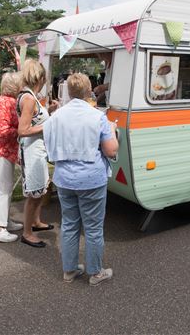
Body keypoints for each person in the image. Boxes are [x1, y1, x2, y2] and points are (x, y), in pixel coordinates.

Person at [43, 73, 119, 286]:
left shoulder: (57, 115)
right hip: (91, 179)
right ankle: (95, 272)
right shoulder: (97, 116)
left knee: (69, 225)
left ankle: (69, 270)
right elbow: (111, 150)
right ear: (89, 91)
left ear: (68, 91)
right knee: (93, 228)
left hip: (65, 178)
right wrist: (112, 131)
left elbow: (49, 146)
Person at [16, 59, 58, 248]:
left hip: (36, 149)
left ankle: (36, 222)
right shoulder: (29, 98)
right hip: (32, 151)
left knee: (40, 189)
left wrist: (48, 112)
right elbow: (23, 130)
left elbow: (34, 119)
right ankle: (27, 233)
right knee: (34, 194)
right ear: (40, 77)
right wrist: (48, 125)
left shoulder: (28, 95)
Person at [0, 72, 24, 243]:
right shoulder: (6, 103)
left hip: (3, 149)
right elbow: (3, 131)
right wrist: (22, 130)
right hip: (1, 149)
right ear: (15, 86)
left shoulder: (6, 100)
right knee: (5, 187)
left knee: (6, 186)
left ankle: (4, 221)